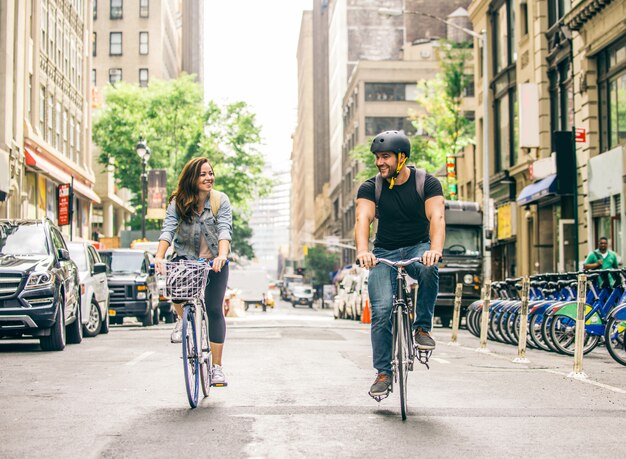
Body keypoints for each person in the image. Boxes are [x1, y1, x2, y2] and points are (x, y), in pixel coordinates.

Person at [354, 130, 445, 399]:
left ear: (402, 158)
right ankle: (384, 372)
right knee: (381, 311)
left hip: (418, 248)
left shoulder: (427, 183)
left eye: (385, 157)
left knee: (430, 269)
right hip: (384, 252)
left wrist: (435, 250)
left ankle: (422, 328)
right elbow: (363, 220)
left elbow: (437, 218)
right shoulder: (371, 187)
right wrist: (363, 251)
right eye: (377, 158)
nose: (380, 162)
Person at [154, 157, 232, 386]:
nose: (209, 178)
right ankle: (182, 319)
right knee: (176, 293)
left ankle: (216, 368)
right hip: (186, 260)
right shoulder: (178, 202)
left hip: (214, 263)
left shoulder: (220, 200)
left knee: (215, 309)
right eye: (203, 174)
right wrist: (159, 256)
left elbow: (224, 230)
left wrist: (222, 256)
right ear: (192, 178)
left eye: (211, 173)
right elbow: (168, 229)